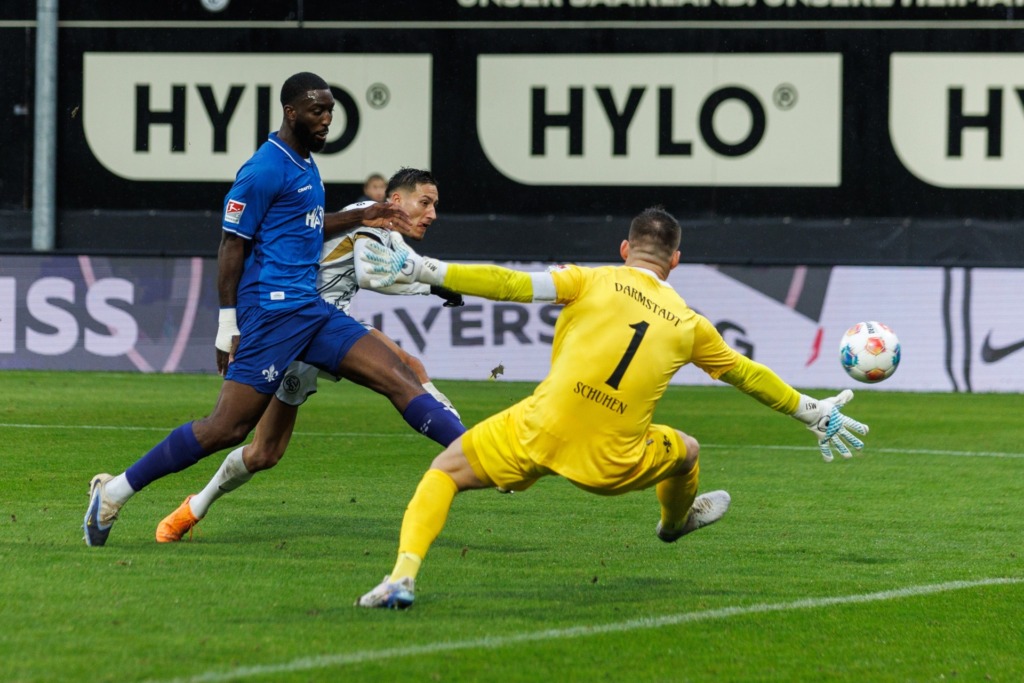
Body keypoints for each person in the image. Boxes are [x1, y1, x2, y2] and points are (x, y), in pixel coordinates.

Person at [352, 206, 869, 609]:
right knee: (687, 451)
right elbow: (747, 373)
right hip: (613, 460)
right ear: (675, 261)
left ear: (625, 249)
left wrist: (425, 268)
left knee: (444, 472)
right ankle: (675, 523)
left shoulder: (589, 279)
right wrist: (812, 411)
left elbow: (510, 284)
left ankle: (401, 578)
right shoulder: (690, 325)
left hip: (540, 429)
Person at [83, 72, 465, 547]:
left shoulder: (305, 165)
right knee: (227, 429)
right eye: (317, 111)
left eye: (330, 112)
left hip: (312, 311)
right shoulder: (264, 168)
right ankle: (114, 492)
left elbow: (307, 225)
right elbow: (230, 244)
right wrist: (227, 324)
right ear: (291, 112)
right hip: (272, 313)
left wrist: (359, 215)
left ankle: (478, 453)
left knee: (399, 374)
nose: (326, 120)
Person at [153, 168, 467, 543]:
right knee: (262, 450)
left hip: (327, 326)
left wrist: (436, 286)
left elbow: (403, 268)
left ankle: (473, 448)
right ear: (396, 201)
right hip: (295, 330)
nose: (432, 214)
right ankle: (193, 506)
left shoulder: (391, 236)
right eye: (425, 203)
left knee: (407, 369)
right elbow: (371, 274)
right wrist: (433, 285)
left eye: (434, 205)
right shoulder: (367, 215)